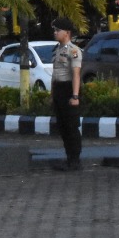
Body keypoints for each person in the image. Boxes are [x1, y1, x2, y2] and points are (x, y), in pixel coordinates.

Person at [49, 17, 84, 172]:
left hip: (68, 90)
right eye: (55, 30)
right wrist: (52, 94)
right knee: (62, 127)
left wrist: (75, 96)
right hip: (58, 90)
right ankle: (69, 159)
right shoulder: (57, 50)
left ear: (67, 33)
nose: (55, 33)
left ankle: (75, 161)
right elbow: (54, 74)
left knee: (71, 127)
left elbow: (76, 74)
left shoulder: (74, 51)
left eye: (58, 30)